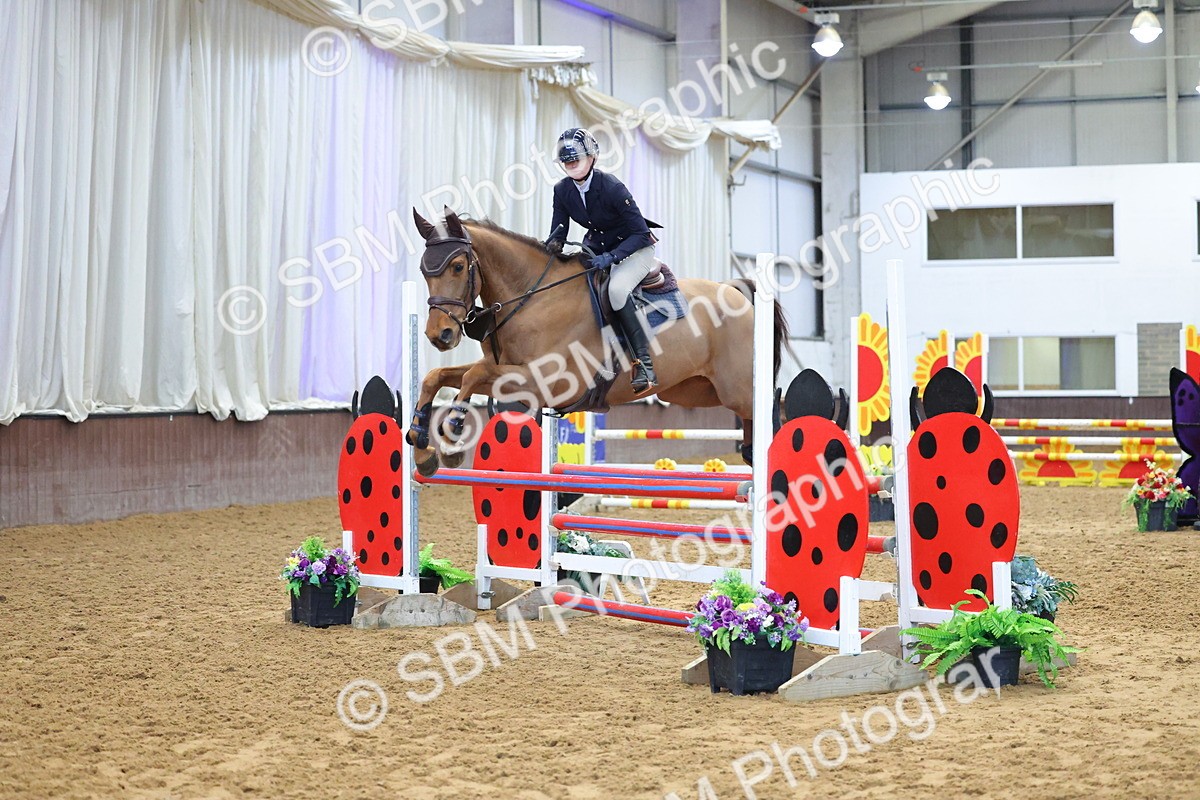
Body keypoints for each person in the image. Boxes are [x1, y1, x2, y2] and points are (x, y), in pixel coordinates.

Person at [546, 127, 658, 394]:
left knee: (617, 291)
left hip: (634, 249)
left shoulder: (612, 187)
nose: (571, 163)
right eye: (567, 160)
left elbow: (640, 234)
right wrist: (547, 252)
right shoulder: (562, 190)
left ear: (592, 158)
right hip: (598, 250)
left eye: (576, 158)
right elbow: (558, 232)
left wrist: (612, 256)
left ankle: (644, 364)